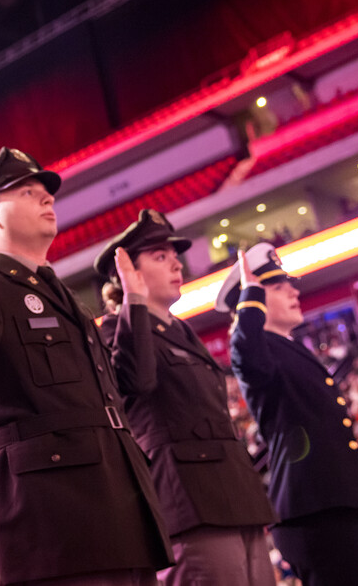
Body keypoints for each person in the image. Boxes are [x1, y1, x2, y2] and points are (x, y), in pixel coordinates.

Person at [0, 148, 173, 586]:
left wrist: (135, 303)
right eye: (27, 191)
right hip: (56, 520)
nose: (46, 199)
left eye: (47, 193)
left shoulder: (64, 297)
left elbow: (133, 383)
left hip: (117, 507)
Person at [93, 210, 277, 586]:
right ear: (131, 272)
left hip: (233, 494)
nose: (176, 263)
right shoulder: (115, 328)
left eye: (174, 256)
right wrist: (135, 302)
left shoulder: (181, 330)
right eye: (160, 256)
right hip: (191, 503)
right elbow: (138, 380)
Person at [218, 243, 358, 586]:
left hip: (343, 500)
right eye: (278, 288)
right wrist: (250, 298)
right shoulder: (255, 347)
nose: (295, 291)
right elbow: (248, 359)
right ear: (253, 301)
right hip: (315, 509)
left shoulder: (289, 346)